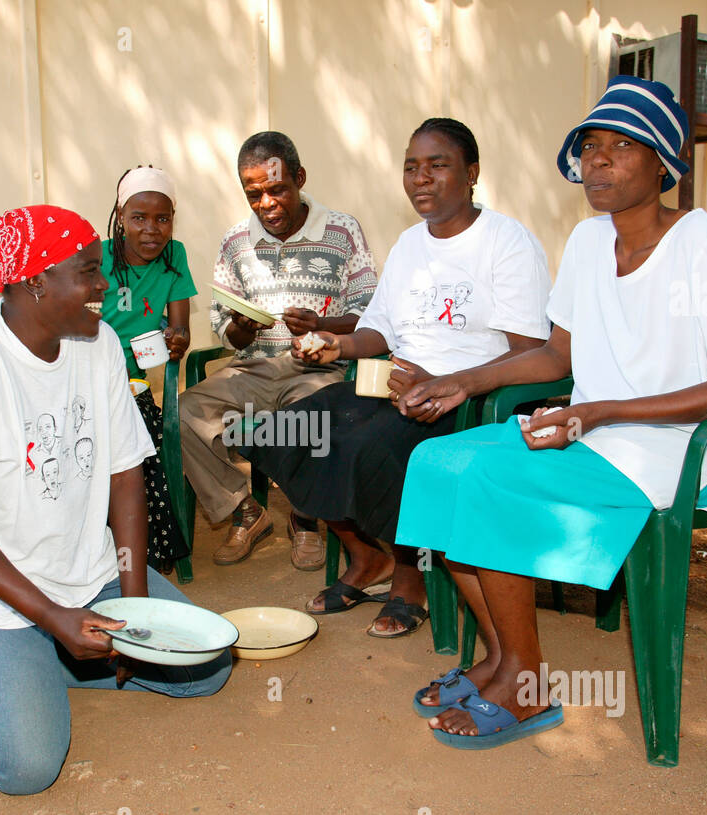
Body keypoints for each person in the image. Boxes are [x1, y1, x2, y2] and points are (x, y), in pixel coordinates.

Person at [395, 77, 707, 749]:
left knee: (489, 482)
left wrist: (602, 411)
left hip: (677, 448)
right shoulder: (586, 241)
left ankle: (527, 683)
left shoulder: (699, 241)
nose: (597, 161)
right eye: (590, 147)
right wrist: (462, 379)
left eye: (621, 146)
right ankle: (498, 654)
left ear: (664, 161)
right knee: (436, 462)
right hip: (598, 431)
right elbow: (554, 357)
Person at [0, 205, 231, 795]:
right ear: (36, 282)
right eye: (88, 272)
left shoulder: (99, 342)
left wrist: (135, 610)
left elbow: (124, 472)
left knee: (205, 670)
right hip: (0, 595)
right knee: (27, 769)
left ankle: (43, 663)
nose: (104, 286)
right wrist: (52, 616)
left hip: (90, 581)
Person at [244, 118, 550, 638]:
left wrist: (452, 381)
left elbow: (533, 352)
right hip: (390, 384)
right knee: (278, 432)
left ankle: (411, 577)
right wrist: (335, 345)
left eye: (437, 166)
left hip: (467, 400)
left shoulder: (507, 241)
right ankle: (368, 557)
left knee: (370, 449)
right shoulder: (410, 244)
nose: (420, 179)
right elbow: (377, 332)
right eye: (411, 167)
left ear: (472, 173)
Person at [178, 131, 377, 570]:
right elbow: (221, 327)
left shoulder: (342, 231)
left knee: (310, 412)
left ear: (300, 178)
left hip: (317, 368)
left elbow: (371, 311)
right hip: (251, 370)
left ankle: (304, 518)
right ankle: (244, 511)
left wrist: (323, 326)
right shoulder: (236, 241)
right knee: (185, 411)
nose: (266, 203)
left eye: (277, 189)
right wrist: (242, 329)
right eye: (254, 194)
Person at [98, 166, 194, 573]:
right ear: (120, 217)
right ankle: (104, 547)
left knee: (142, 434)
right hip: (94, 375)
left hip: (135, 384)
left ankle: (148, 550)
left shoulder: (175, 256)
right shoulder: (97, 257)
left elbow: (181, 330)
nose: (152, 229)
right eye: (139, 218)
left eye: (162, 218)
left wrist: (177, 339)